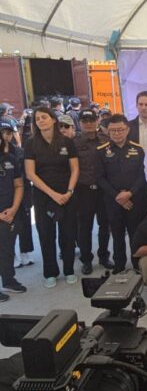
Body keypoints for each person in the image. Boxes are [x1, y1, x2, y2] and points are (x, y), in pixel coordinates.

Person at [24, 107, 79, 288]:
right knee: (46, 235)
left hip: (66, 195)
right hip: (43, 196)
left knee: (68, 234)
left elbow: (75, 169)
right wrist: (53, 194)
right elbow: (30, 174)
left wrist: (69, 191)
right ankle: (50, 272)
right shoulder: (31, 143)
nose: (40, 120)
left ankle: (69, 270)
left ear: (53, 119)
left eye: (44, 117)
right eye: (37, 118)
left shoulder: (66, 142)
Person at [95, 114, 147, 274]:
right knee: (117, 234)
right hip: (113, 201)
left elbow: (143, 175)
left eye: (120, 129)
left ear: (127, 130)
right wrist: (117, 196)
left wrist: (130, 193)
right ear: (108, 131)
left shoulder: (138, 150)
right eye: (113, 130)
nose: (117, 133)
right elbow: (99, 177)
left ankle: (137, 264)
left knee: (135, 234)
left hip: (135, 200)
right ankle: (119, 266)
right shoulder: (101, 151)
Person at [74, 109, 113, 275]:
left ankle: (104, 256)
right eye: (85, 120)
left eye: (92, 120)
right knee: (84, 228)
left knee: (105, 225)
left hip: (103, 190)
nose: (89, 123)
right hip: (84, 190)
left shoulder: (106, 139)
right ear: (80, 123)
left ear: (97, 121)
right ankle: (86, 260)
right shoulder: (74, 142)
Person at [1, 118, 33, 268]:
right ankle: (12, 256)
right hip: (4, 197)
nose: (5, 136)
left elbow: (26, 175)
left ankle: (25, 252)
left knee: (24, 225)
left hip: (22, 194)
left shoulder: (19, 152)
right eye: (3, 133)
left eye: (8, 133)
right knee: (7, 230)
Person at [0, 122, 25, 298]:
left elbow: (19, 185)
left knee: (7, 249)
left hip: (10, 212)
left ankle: (8, 280)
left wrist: (14, 209)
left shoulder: (11, 159)